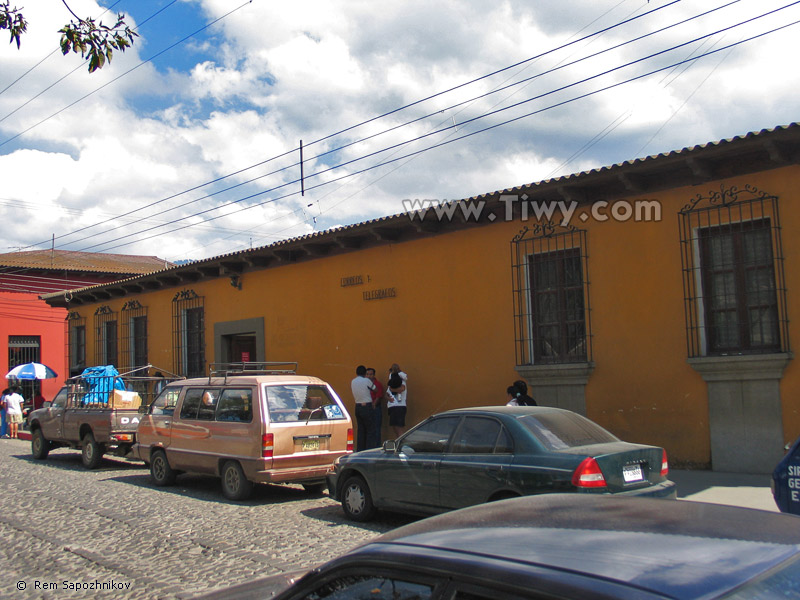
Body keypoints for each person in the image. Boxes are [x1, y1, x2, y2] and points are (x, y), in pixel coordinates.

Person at [351, 365, 378, 451]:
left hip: (357, 406)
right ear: (364, 373)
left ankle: (360, 450)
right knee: (370, 430)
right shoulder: (366, 380)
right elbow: (375, 389)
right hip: (367, 406)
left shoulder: (353, 381)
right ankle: (370, 450)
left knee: (361, 429)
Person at [386, 363, 408, 438]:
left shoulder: (401, 381)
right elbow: (387, 393)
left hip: (399, 406)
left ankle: (401, 442)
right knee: (395, 427)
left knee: (399, 428)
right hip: (392, 407)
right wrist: (389, 398)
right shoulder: (391, 383)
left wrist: (392, 389)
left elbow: (401, 389)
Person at [365, 367, 384, 444]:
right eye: (367, 374)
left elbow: (379, 396)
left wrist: (374, 404)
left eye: (371, 374)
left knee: (376, 428)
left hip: (375, 407)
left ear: (374, 375)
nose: (369, 376)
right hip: (367, 407)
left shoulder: (377, 384)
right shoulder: (365, 384)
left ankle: (377, 446)